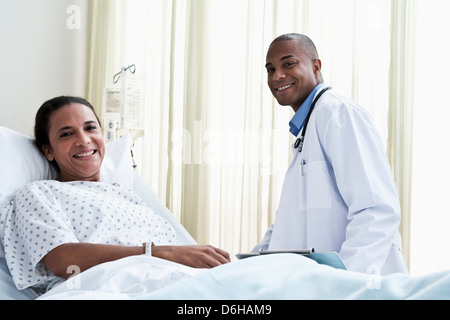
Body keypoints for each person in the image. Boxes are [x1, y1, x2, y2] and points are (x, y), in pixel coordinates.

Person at [3, 96, 230, 292]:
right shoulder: (38, 193)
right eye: (66, 134)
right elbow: (62, 260)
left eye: (90, 128)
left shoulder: (127, 196)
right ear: (48, 151)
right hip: (108, 286)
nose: (83, 140)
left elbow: (178, 251)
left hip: (179, 279)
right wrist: (157, 253)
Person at [252, 33, 408, 275]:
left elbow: (376, 210)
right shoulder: (308, 129)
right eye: (270, 69)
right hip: (322, 284)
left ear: (316, 67)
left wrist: (346, 281)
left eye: (288, 64)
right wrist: (246, 266)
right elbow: (288, 225)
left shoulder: (339, 114)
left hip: (357, 284)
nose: (277, 76)